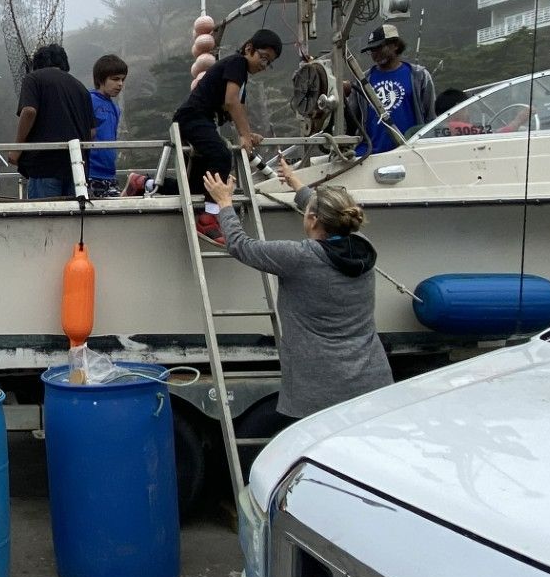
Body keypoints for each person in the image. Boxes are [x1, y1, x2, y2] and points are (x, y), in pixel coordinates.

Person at [204, 156, 391, 422]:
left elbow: (240, 245)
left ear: (313, 220)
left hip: (321, 388)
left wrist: (224, 203)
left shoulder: (300, 257)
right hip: (372, 380)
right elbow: (329, 214)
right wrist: (296, 184)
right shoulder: (363, 245)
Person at [171, 28, 281, 240]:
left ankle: (142, 183)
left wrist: (249, 133)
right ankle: (209, 218)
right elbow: (232, 102)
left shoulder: (240, 73)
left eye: (269, 63)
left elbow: (230, 106)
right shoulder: (237, 64)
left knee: (196, 184)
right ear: (249, 48)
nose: (263, 65)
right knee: (222, 156)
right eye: (263, 57)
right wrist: (244, 134)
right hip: (193, 117)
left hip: (199, 119)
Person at [13, 44, 96, 199]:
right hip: (76, 168)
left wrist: (17, 149)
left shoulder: (34, 78)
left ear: (37, 64)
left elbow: (29, 111)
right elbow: (92, 131)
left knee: (44, 217)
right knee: (71, 219)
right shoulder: (81, 88)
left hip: (44, 165)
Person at [346, 23, 435, 156]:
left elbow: (431, 118)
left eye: (379, 48)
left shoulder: (419, 76)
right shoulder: (363, 80)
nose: (375, 54)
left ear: (395, 45)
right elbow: (352, 119)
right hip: (371, 154)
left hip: (410, 152)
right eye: (372, 50)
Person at [87, 55, 128, 199]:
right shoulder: (88, 100)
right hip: (90, 172)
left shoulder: (115, 108)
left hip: (109, 172)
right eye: (115, 79)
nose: (120, 84)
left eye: (122, 79)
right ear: (100, 79)